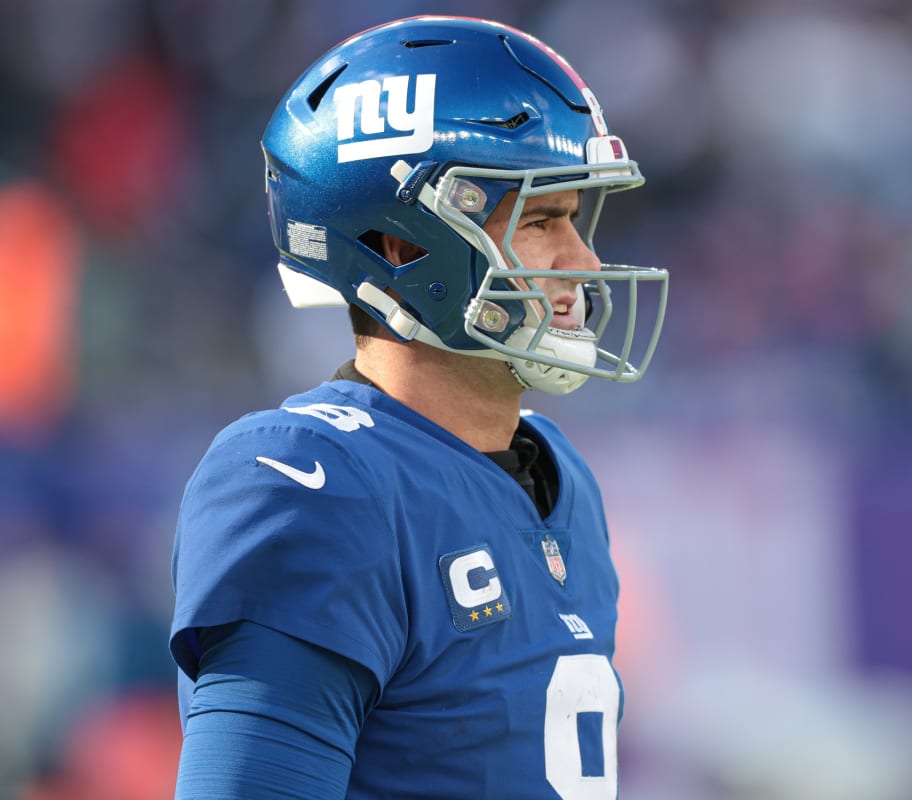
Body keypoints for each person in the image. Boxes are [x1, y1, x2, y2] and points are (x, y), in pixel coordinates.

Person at [169, 15, 668, 800]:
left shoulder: (560, 474)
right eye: (542, 221)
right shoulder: (315, 480)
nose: (583, 263)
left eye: (576, 219)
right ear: (404, 244)